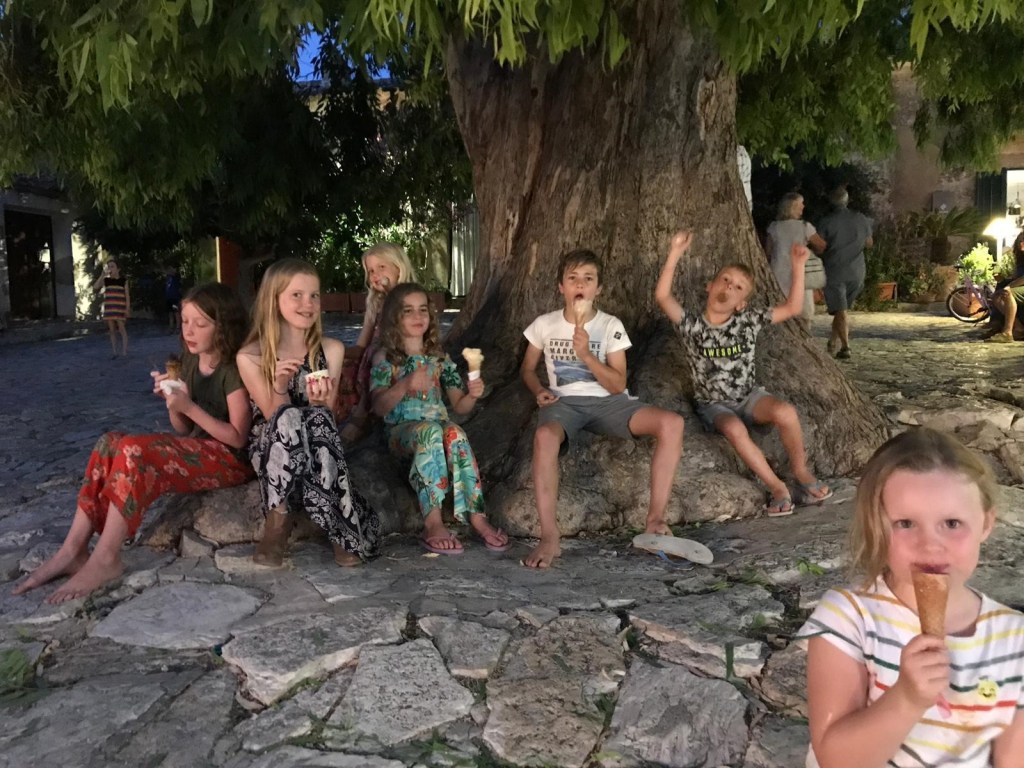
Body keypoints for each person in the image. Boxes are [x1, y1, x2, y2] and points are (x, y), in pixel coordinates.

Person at [13, 283, 254, 603]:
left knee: (134, 450)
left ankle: (106, 558)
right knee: (109, 442)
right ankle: (73, 549)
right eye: (185, 321)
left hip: (229, 460)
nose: (189, 331)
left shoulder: (233, 368)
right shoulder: (190, 360)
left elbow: (238, 436)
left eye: (200, 323)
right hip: (200, 449)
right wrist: (173, 403)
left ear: (223, 325)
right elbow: (183, 429)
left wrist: (189, 407)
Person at [798, 428, 1024, 767]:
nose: (930, 545)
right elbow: (836, 759)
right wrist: (906, 699)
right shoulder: (848, 619)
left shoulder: (1014, 638)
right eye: (905, 523)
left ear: (986, 524)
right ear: (876, 526)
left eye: (952, 523)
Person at [521, 249, 686, 568]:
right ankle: (549, 536)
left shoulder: (610, 325)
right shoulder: (545, 324)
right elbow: (527, 369)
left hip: (610, 403)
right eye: (572, 278)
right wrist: (539, 390)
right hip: (563, 402)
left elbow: (617, 383)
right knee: (544, 437)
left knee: (672, 423)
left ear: (598, 288)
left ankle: (655, 520)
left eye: (588, 278)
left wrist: (586, 355)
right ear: (561, 287)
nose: (580, 284)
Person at [655, 230, 832, 517]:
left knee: (786, 412)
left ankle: (801, 471)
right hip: (714, 405)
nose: (729, 286)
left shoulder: (748, 321)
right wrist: (674, 252)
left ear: (741, 304)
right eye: (725, 280)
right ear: (710, 286)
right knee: (735, 429)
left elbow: (792, 307)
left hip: (750, 397)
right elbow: (663, 296)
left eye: (738, 287)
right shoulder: (692, 326)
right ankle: (777, 487)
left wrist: (798, 267)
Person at [237, 259, 381, 568]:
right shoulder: (252, 356)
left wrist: (320, 404)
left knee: (318, 417)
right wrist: (278, 385)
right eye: (297, 295)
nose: (308, 303)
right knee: (289, 415)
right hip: (271, 446)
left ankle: (339, 528)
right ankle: (277, 521)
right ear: (274, 300)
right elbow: (273, 415)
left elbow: (327, 420)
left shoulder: (331, 350)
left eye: (314, 295)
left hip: (316, 442)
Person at [370, 282, 507, 554]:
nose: (418, 316)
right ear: (394, 317)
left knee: (455, 432)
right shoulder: (387, 358)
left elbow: (460, 406)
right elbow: (378, 406)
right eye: (408, 310)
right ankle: (432, 522)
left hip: (438, 427)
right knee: (429, 431)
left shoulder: (439, 358)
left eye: (423, 309)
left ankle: (477, 516)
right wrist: (406, 383)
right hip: (402, 434)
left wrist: (473, 395)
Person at [340, 243, 418, 443]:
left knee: (379, 356)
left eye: (381, 267)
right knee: (340, 364)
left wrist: (392, 293)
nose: (375, 274)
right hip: (372, 357)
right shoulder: (375, 303)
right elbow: (361, 346)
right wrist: (336, 352)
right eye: (371, 271)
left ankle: (360, 416)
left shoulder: (413, 299)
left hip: (400, 356)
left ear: (399, 268)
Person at [817, 187, 873, 359]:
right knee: (842, 309)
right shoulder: (861, 219)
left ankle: (846, 347)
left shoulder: (827, 222)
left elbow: (820, 246)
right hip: (857, 271)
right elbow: (869, 243)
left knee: (840, 310)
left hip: (835, 270)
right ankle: (832, 342)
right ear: (847, 200)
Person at [766, 192, 827, 323]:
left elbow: (768, 252)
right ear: (793, 206)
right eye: (801, 203)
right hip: (800, 273)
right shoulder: (805, 227)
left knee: (780, 311)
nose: (803, 206)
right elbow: (821, 245)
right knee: (803, 313)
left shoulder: (774, 227)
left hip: (778, 273)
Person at [93, 260, 130, 358]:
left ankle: (124, 351)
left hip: (120, 308)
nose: (110, 269)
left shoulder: (123, 281)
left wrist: (127, 308)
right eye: (109, 266)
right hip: (109, 308)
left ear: (118, 269)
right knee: (112, 330)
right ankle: (114, 352)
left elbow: (127, 296)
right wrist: (102, 275)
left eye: (112, 266)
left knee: (122, 329)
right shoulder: (107, 281)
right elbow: (95, 286)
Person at [165, 266, 183, 333]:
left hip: (175, 298)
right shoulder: (168, 278)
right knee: (170, 313)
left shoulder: (176, 279)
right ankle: (171, 327)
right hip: (169, 298)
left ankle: (178, 327)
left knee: (176, 312)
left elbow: (179, 289)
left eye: (171, 269)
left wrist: (179, 296)